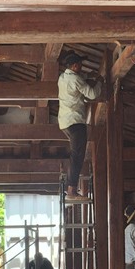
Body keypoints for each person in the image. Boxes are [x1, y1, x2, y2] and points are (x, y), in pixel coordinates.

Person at [58, 51, 103, 201]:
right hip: (76, 121)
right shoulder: (76, 79)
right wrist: (99, 82)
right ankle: (71, 190)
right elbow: (91, 94)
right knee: (77, 156)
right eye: (80, 65)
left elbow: (75, 84)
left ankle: (71, 188)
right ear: (75, 66)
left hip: (65, 123)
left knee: (75, 155)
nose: (82, 67)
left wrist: (87, 77)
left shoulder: (62, 78)